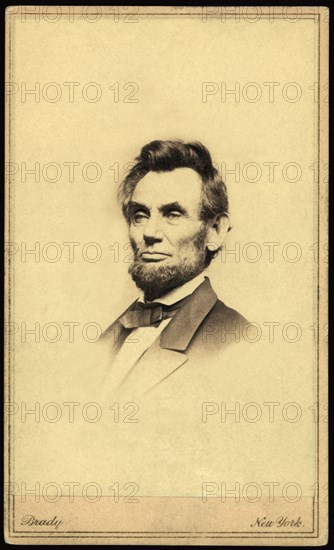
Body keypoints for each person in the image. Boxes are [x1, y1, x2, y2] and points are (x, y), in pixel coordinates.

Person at [99, 140, 249, 397]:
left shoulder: (239, 343)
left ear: (215, 231)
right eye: (140, 215)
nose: (149, 232)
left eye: (173, 215)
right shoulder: (104, 341)